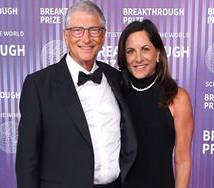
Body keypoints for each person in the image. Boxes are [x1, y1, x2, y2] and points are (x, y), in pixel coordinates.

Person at [15, 1, 136, 188]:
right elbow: (26, 160)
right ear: (66, 35)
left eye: (94, 30)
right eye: (77, 30)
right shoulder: (38, 85)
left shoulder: (116, 78)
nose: (86, 39)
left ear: (103, 36)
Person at [117, 19, 194, 188]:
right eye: (130, 51)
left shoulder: (177, 98)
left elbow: (182, 160)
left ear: (158, 53)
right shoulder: (115, 93)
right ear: (125, 56)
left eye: (145, 49)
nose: (138, 58)